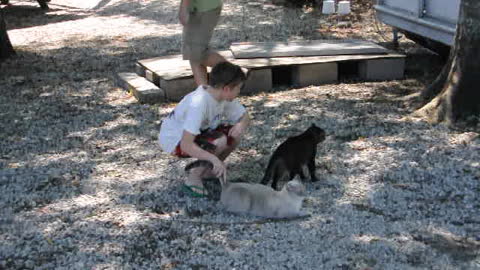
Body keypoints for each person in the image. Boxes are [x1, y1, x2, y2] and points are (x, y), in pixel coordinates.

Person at [158, 62, 250, 197]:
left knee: (234, 134)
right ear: (227, 89)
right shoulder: (199, 103)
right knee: (219, 141)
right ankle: (193, 179)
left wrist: (241, 124)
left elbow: (245, 116)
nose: (239, 92)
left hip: (198, 134)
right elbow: (186, 144)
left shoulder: (222, 97)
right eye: (238, 88)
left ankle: (209, 172)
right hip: (175, 141)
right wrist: (214, 159)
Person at [179, 0, 227, 86]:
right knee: (193, 52)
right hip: (199, 7)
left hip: (204, 7)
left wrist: (184, 7)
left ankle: (234, 72)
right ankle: (203, 93)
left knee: (196, 52)